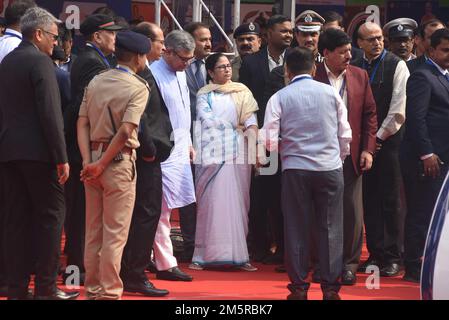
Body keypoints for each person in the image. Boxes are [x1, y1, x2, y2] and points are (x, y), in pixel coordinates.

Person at [0, 6, 79, 300]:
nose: (56, 43)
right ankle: (46, 287)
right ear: (38, 34)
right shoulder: (40, 62)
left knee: (15, 221)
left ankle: (17, 288)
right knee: (51, 217)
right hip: (40, 154)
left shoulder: (8, 62)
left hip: (9, 152)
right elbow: (50, 114)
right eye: (53, 37)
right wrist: (61, 156)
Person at [262, 47, 352, 300]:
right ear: (314, 68)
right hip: (330, 168)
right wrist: (338, 158)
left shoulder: (280, 96)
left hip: (296, 169)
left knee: (296, 227)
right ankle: (330, 288)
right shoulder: (331, 93)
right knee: (331, 227)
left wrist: (288, 149)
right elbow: (345, 134)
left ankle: (300, 288)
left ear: (287, 71)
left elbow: (268, 139)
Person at [77, 30, 150, 300]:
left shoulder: (96, 80)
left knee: (93, 232)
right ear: (139, 57)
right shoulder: (138, 87)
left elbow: (81, 122)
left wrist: (89, 161)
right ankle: (109, 294)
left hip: (93, 160)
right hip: (117, 164)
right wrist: (102, 163)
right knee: (115, 234)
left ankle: (93, 290)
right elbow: (125, 131)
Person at [63, 14, 123, 285]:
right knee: (82, 211)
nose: (115, 38)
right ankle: (78, 265)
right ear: (97, 36)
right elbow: (88, 108)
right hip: (85, 146)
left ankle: (80, 263)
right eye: (111, 33)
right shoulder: (91, 62)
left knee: (84, 210)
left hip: (86, 145)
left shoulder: (95, 59)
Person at [315, 28, 378, 285]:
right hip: (318, 157)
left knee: (352, 212)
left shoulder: (360, 75)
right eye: (342, 52)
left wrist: (367, 149)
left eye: (350, 50)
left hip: (352, 156)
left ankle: (349, 264)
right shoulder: (311, 76)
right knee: (321, 213)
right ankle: (322, 264)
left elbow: (370, 116)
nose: (349, 56)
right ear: (326, 54)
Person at [190, 53, 258, 271]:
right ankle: (203, 255)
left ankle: (240, 255)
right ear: (210, 72)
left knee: (238, 202)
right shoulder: (204, 94)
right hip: (212, 154)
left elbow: (251, 122)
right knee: (211, 203)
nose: (227, 70)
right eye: (221, 67)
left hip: (239, 154)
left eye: (228, 66)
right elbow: (206, 120)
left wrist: (253, 141)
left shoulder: (242, 91)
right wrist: (234, 128)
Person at [353, 22, 409, 277]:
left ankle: (393, 256)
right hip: (362, 146)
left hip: (389, 145)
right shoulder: (355, 65)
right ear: (359, 43)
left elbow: (398, 111)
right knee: (369, 200)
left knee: (390, 201)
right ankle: (374, 254)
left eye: (379, 38)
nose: (377, 43)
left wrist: (376, 140)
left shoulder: (397, 65)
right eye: (371, 39)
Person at [120, 21, 171, 297]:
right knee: (145, 214)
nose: (163, 46)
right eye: (159, 41)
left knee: (141, 214)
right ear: (143, 46)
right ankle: (135, 274)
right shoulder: (140, 76)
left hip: (146, 153)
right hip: (145, 156)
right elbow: (140, 119)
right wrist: (150, 150)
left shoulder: (144, 72)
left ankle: (130, 269)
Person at [239, 14, 293, 264]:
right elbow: (247, 104)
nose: (288, 35)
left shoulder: (297, 59)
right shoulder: (251, 64)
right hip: (261, 139)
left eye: (290, 31)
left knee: (286, 196)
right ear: (268, 34)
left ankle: (283, 248)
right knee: (262, 194)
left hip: (290, 139)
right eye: (283, 31)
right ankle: (259, 247)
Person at [401, 28, 449, 283]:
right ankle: (412, 265)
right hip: (427, 160)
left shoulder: (446, 75)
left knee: (439, 215)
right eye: (446, 50)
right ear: (431, 50)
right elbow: (416, 119)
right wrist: (426, 153)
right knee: (422, 212)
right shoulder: (422, 76)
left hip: (445, 161)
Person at [149, 30, 195, 282]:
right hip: (162, 150)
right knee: (161, 209)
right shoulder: (153, 74)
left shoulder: (180, 72)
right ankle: (165, 263)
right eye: (183, 59)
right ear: (167, 51)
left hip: (179, 148)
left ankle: (150, 256)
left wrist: (188, 141)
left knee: (167, 207)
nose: (186, 64)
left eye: (190, 59)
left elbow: (184, 110)